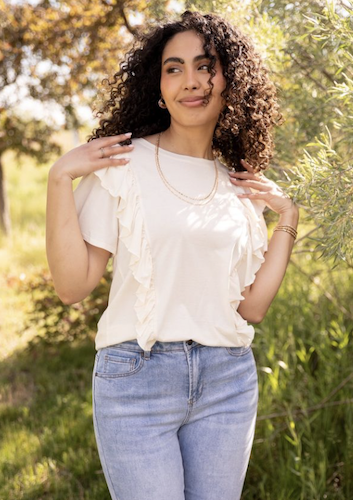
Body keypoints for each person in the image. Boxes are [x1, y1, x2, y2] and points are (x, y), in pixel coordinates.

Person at [46, 10, 299, 500]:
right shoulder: (122, 162)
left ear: (230, 78)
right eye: (174, 68)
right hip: (136, 382)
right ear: (157, 85)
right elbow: (72, 287)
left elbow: (252, 308)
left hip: (228, 380)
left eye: (206, 65)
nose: (191, 81)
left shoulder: (237, 186)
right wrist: (59, 179)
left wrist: (287, 216)